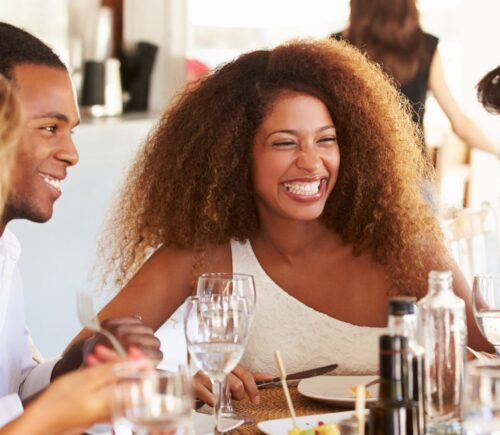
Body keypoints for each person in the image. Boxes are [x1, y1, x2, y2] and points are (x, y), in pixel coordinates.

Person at [70, 38, 492, 405]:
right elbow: (82, 362)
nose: (311, 163)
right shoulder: (204, 255)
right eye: (284, 143)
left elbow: (490, 364)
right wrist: (169, 383)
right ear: (234, 156)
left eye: (326, 140)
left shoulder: (404, 247)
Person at [0, 22, 161, 427]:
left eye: (70, 131)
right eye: (50, 128)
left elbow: (13, 390)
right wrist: (62, 410)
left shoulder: (6, 250)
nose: (71, 153)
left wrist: (79, 360)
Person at [332, 0, 500, 159]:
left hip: (351, 172)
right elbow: (461, 126)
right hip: (411, 176)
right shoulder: (425, 47)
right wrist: (497, 151)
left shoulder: (335, 47)